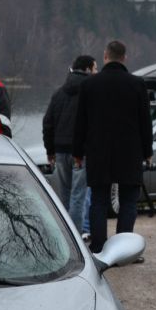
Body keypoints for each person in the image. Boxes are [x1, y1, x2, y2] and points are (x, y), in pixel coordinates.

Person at [73, 40, 153, 255]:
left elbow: (81, 122)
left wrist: (77, 153)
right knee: (128, 202)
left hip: (98, 152)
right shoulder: (137, 84)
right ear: (124, 58)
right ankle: (124, 250)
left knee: (98, 201)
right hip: (129, 152)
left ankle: (99, 247)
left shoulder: (89, 85)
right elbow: (145, 122)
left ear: (105, 56)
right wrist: (148, 152)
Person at [43, 55, 97, 242]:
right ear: (88, 69)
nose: (96, 72)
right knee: (79, 196)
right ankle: (75, 238)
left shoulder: (59, 93)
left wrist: (50, 151)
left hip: (60, 151)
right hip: (80, 152)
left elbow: (48, 123)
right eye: (95, 68)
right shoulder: (91, 92)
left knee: (65, 195)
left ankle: (64, 236)